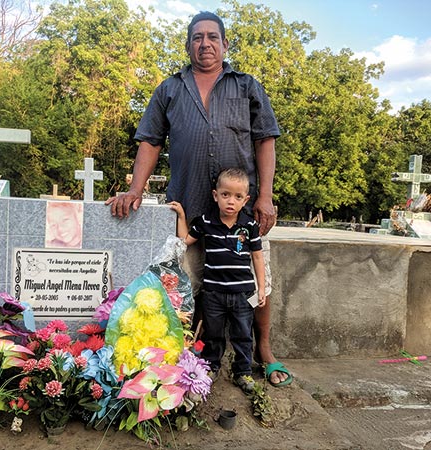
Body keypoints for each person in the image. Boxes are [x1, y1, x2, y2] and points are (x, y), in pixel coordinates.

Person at [106, 11, 292, 386]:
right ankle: (189, 353)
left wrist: (266, 197)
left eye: (212, 37)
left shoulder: (247, 86)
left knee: (257, 283)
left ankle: (264, 349)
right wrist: (134, 190)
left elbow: (265, 141)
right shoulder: (170, 89)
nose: (204, 44)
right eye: (197, 38)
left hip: (240, 210)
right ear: (188, 44)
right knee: (183, 286)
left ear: (225, 44)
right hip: (188, 211)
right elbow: (150, 141)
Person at [169, 168, 265, 394]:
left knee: (243, 334)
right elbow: (185, 241)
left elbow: (258, 257)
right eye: (225, 195)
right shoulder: (206, 221)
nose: (231, 201)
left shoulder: (249, 226)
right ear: (215, 195)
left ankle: (243, 371)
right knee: (213, 333)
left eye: (238, 197)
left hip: (243, 294)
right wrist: (182, 216)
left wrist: (261, 288)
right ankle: (211, 366)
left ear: (246, 200)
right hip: (213, 294)